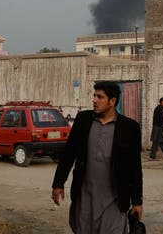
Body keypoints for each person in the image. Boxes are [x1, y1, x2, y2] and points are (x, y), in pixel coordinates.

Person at [51, 81, 143, 234]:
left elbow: (135, 167)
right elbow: (69, 153)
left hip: (114, 200)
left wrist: (137, 201)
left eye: (100, 97)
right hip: (85, 198)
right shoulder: (83, 120)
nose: (94, 100)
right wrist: (58, 183)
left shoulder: (130, 128)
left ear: (112, 101)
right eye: (94, 96)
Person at [150, 96, 163, 160]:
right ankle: (152, 156)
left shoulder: (160, 108)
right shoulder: (159, 108)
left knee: (161, 141)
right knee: (156, 142)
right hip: (157, 127)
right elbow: (162, 117)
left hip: (159, 127)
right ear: (162, 102)